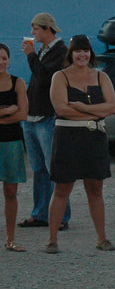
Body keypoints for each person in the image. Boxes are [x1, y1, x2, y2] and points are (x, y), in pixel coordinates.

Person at [45, 35, 115, 254]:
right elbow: (61, 109)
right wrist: (95, 111)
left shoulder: (101, 76)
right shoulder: (60, 77)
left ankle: (102, 238)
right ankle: (52, 239)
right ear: (71, 53)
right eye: (78, 51)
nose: (82, 55)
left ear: (90, 53)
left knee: (95, 189)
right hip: (67, 137)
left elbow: (111, 107)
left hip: (94, 138)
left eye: (85, 50)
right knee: (62, 188)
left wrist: (81, 107)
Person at [18, 12, 71, 230]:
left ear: (47, 29)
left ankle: (62, 217)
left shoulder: (60, 51)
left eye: (36, 29)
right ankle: (40, 213)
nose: (32, 33)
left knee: (53, 169)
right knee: (39, 168)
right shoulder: (45, 50)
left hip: (47, 118)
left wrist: (31, 56)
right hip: (32, 117)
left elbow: (46, 78)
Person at [0, 44, 28, 252]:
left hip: (11, 142)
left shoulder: (18, 83)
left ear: (9, 60)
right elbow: (15, 112)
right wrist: (7, 110)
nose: (1, 62)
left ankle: (10, 239)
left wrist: (14, 111)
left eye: (3, 58)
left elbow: (23, 115)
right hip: (9, 134)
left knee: (11, 191)